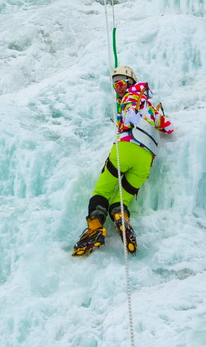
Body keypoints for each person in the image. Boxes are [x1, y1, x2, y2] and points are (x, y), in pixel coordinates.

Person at [72, 65, 173, 256]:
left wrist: (126, 112)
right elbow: (168, 127)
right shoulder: (150, 106)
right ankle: (120, 217)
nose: (117, 87)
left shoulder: (131, 96)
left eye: (120, 82)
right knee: (121, 199)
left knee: (102, 190)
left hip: (126, 149)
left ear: (131, 82)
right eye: (114, 84)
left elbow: (130, 115)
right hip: (145, 160)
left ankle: (94, 229)